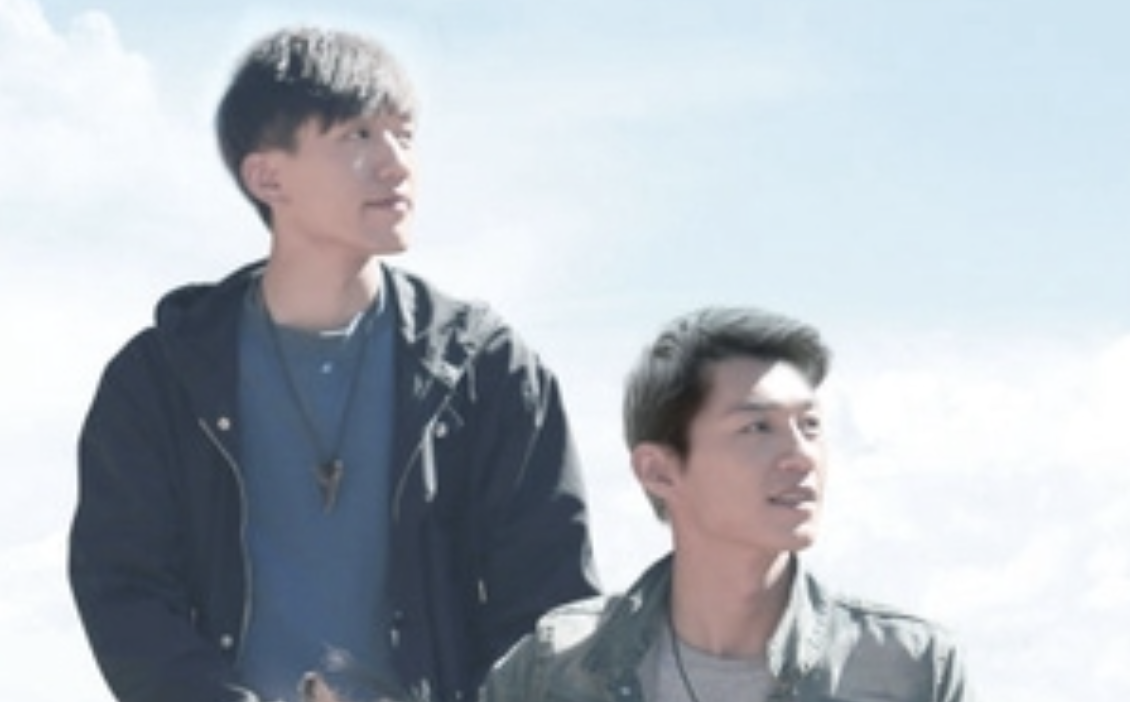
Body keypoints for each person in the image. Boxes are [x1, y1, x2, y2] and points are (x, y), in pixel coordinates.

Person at [68, 26, 600, 702]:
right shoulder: (161, 379)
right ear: (267, 176)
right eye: (358, 136)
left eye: (404, 135)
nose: (396, 164)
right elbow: (126, 592)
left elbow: (552, 609)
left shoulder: (488, 370)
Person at [481, 306, 976, 702]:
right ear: (658, 470)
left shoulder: (910, 670)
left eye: (809, 426)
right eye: (757, 427)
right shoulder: (554, 669)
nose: (801, 456)